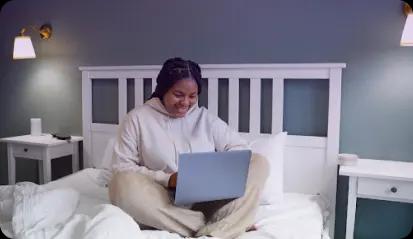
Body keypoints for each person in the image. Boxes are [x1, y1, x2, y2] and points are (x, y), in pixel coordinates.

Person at [108, 57, 269, 239]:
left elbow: (240, 149)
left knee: (258, 161)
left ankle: (217, 228)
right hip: (160, 199)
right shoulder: (136, 118)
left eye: (192, 96)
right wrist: (168, 179)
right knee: (119, 183)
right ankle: (225, 225)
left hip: (208, 199)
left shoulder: (206, 119)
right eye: (178, 94)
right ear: (163, 90)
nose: (185, 102)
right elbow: (122, 167)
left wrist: (214, 169)